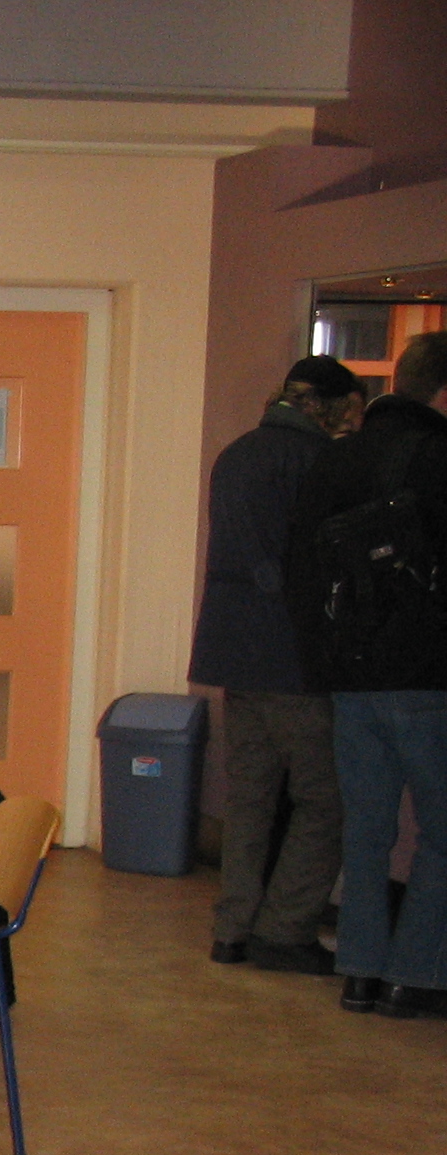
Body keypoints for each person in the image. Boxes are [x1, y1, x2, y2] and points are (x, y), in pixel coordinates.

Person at [286, 330, 447, 1018]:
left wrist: (324, 661)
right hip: (428, 674)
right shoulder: (438, 459)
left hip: (349, 675)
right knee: (441, 833)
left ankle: (358, 970)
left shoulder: (336, 458)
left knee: (367, 829)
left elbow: (301, 569)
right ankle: (414, 974)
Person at [188, 356, 365, 976]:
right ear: (332, 407)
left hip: (234, 653)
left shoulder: (237, 454)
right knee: (327, 800)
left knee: (250, 799)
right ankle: (285, 929)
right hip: (293, 659)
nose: (355, 425)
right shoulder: (318, 461)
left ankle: (232, 929)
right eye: (352, 412)